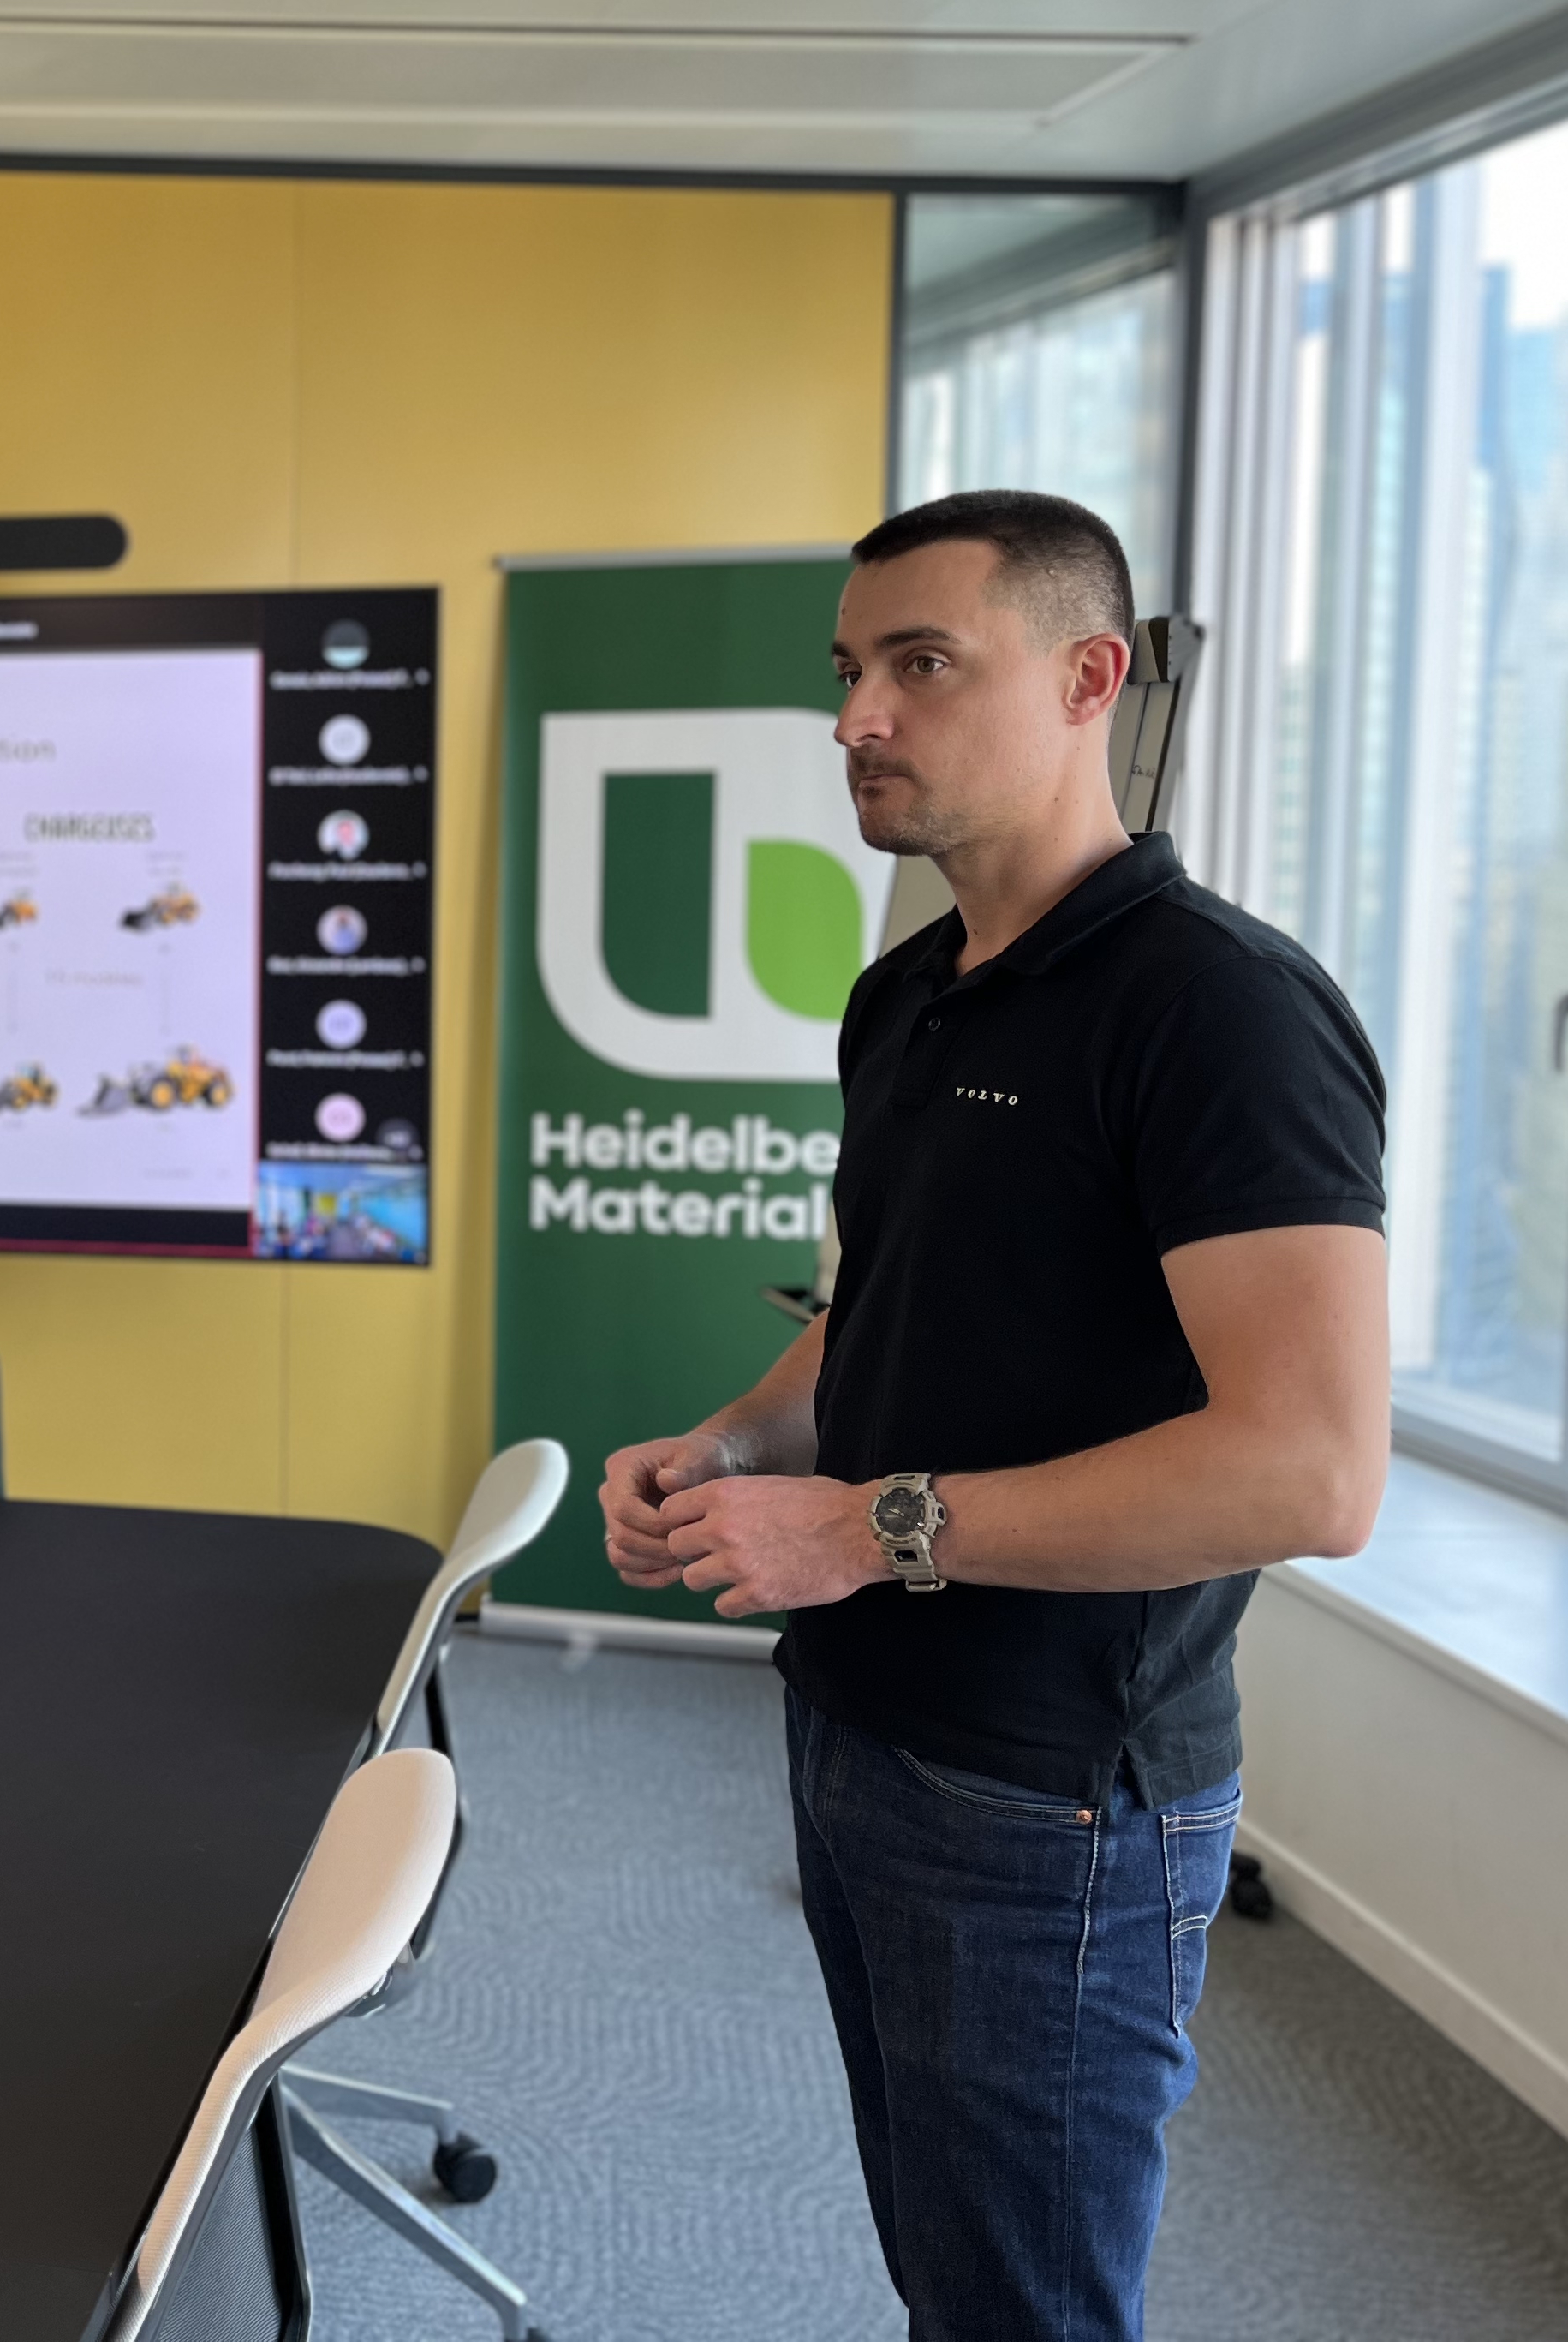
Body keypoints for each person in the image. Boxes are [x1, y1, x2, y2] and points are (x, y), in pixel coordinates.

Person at [599, 490, 1389, 2342]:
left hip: (1058, 1804)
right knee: (950, 2272)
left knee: (1026, 2311)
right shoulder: (907, 996)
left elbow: (1312, 1469)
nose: (858, 715)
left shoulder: (1223, 1017)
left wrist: (866, 1530)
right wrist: (739, 1448)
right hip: (863, 1725)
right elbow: (881, 1312)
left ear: (1087, 679)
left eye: (921, 665)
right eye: (851, 671)